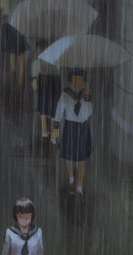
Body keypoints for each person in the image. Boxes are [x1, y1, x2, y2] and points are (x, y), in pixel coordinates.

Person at [53, 69, 93, 197]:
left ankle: (80, 186)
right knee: (68, 156)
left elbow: (89, 113)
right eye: (75, 80)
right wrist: (56, 124)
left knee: (81, 160)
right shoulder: (66, 93)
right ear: (70, 81)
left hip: (83, 128)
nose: (77, 83)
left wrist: (87, 98)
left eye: (80, 80)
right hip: (70, 127)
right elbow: (59, 109)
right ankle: (71, 178)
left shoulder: (86, 93)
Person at [31, 40, 61, 142]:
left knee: (52, 108)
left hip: (53, 78)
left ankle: (51, 133)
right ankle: (46, 131)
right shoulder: (42, 51)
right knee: (45, 107)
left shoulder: (53, 51)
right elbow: (35, 63)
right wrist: (34, 77)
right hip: (45, 78)